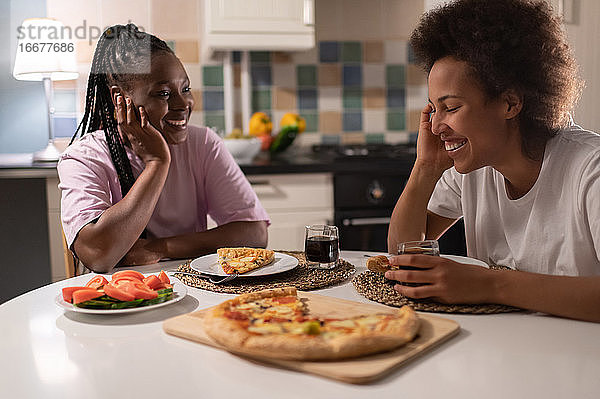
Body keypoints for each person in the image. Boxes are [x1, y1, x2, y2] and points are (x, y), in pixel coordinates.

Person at [386, 0, 600, 322]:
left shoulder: (589, 170)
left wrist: (489, 284)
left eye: (452, 108)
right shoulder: (472, 167)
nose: (435, 126)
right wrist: (425, 168)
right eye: (433, 108)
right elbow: (405, 254)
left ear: (510, 103)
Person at [58, 24, 269, 273]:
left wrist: (160, 248)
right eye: (164, 93)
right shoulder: (83, 158)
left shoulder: (202, 143)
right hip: (117, 299)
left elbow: (255, 234)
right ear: (119, 99)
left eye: (185, 89)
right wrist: (157, 163)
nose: (184, 104)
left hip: (194, 290)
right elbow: (98, 254)